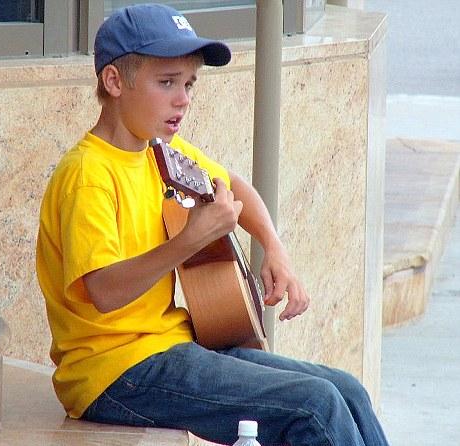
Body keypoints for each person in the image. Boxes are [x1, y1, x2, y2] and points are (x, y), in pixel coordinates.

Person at [36, 4, 390, 446]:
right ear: (114, 82)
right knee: (314, 405)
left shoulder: (157, 150)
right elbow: (104, 292)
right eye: (166, 83)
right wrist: (191, 239)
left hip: (170, 346)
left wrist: (274, 247)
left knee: (348, 391)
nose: (182, 98)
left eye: (188, 84)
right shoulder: (87, 174)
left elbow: (234, 184)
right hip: (114, 372)